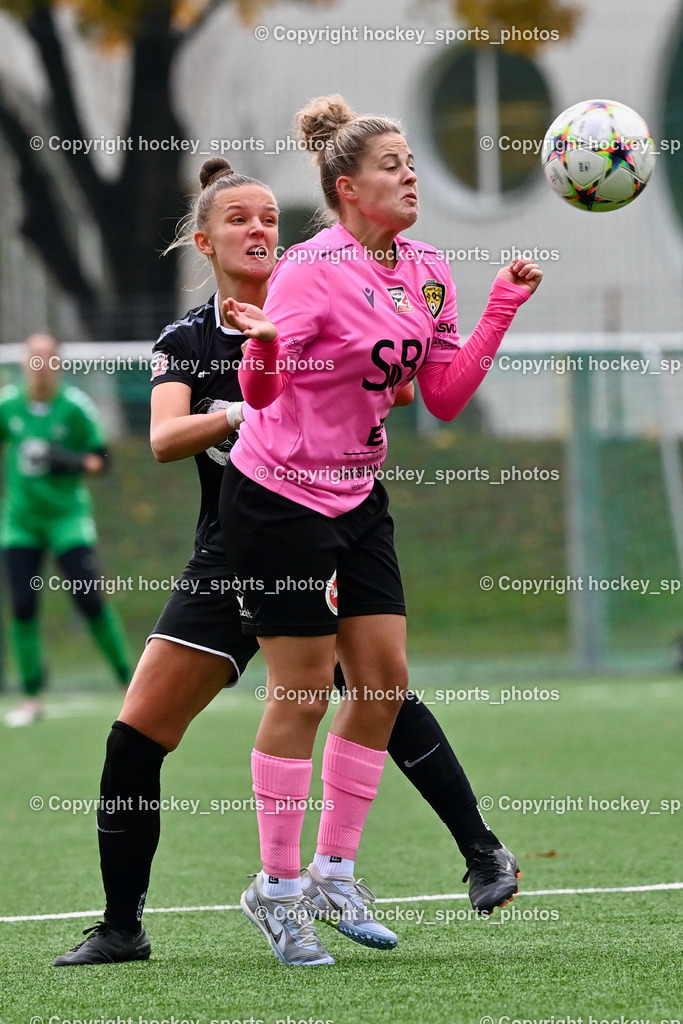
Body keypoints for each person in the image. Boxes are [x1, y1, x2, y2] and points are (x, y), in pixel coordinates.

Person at [53, 156, 521, 967]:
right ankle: (123, 926)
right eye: (238, 218)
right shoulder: (189, 339)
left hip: (327, 523)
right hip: (234, 550)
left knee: (383, 689)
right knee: (136, 739)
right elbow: (164, 438)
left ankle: (471, 853)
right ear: (204, 240)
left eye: (269, 216)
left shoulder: (341, 287)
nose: (259, 229)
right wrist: (243, 402)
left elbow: (407, 385)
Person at [220, 95, 542, 966]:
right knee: (300, 691)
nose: (409, 175)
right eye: (392, 164)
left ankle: (332, 873)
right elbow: (261, 394)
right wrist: (259, 351)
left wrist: (501, 305)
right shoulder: (308, 267)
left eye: (409, 161)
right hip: (277, 496)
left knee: (384, 682)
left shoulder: (428, 267)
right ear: (346, 188)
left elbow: (439, 395)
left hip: (356, 495)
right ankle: (276, 891)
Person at [0, 334, 131, 727]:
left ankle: (131, 683)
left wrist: (68, 461)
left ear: (57, 365)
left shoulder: (74, 408)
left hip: (67, 520)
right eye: (32, 358)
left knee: (89, 599)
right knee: (23, 605)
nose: (39, 366)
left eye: (47, 359)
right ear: (24, 364)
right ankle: (31, 696)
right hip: (20, 523)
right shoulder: (8, 405)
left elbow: (102, 458)